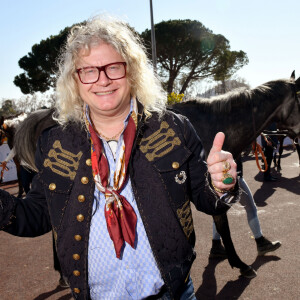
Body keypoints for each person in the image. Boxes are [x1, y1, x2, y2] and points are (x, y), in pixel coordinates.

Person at [0, 15, 240, 299]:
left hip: (173, 292)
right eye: (88, 71)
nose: (102, 80)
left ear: (132, 72)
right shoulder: (55, 144)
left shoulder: (173, 128)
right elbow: (36, 216)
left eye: (113, 67)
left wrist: (222, 182)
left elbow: (207, 197)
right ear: (75, 81)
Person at [209, 157, 281, 259]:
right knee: (251, 208)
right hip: (233, 177)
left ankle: (216, 245)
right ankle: (260, 243)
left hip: (222, 176)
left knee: (220, 212)